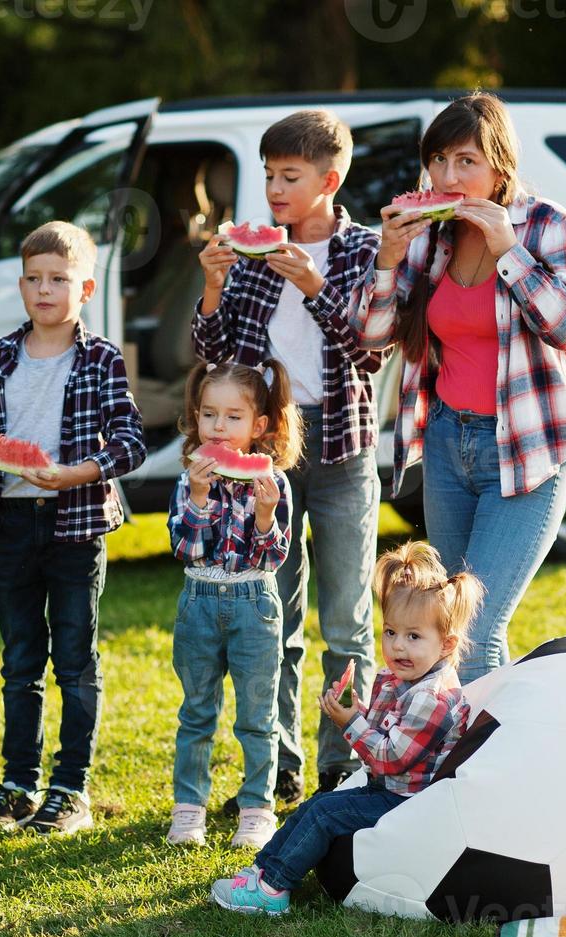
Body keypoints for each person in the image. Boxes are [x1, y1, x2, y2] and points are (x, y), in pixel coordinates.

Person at [351, 92, 566, 683]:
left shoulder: (546, 224)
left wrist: (507, 248)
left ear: (499, 164)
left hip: (529, 450)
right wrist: (386, 256)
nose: (448, 176)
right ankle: (468, 759)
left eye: (466, 161)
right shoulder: (429, 236)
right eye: (438, 161)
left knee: (477, 631)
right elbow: (372, 335)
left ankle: (479, 770)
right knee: (443, 626)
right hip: (446, 444)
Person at [193, 108, 384, 804]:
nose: (273, 189)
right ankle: (279, 759)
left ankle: (343, 759)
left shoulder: (363, 250)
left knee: (345, 621)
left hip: (340, 448)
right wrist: (212, 287)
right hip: (267, 449)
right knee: (272, 611)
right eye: (268, 175)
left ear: (328, 180)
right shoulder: (250, 251)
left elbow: (372, 347)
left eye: (289, 177)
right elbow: (214, 360)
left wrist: (314, 287)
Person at [0, 220, 147, 835]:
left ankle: (71, 790)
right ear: (20, 287)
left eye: (59, 280)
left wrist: (78, 473)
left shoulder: (102, 359)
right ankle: (17, 784)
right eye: (35, 279)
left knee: (74, 660)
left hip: (75, 526)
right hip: (9, 523)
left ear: (85, 288)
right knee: (20, 662)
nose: (46, 290)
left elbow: (130, 442)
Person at [209, 541, 483, 914]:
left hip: (409, 802)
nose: (398, 646)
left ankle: (272, 890)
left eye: (413, 637)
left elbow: (389, 758)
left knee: (325, 815)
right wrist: (359, 710)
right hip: (387, 790)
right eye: (390, 632)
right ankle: (261, 870)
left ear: (446, 644)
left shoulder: (432, 697)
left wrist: (350, 723)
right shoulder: (400, 679)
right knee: (318, 803)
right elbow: (385, 731)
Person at [166, 360, 302, 849]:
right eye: (208, 415)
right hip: (198, 600)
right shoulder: (189, 480)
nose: (218, 427)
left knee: (258, 717)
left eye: (232, 417)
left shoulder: (274, 483)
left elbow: (274, 557)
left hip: (255, 606)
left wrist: (266, 515)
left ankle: (257, 808)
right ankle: (188, 809)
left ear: (258, 426)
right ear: (196, 418)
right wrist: (200, 500)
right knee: (196, 712)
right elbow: (184, 549)